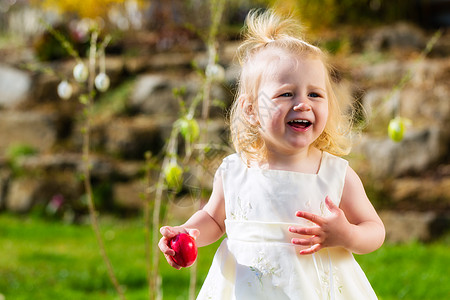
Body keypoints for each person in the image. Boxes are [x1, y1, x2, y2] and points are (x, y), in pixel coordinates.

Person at [159, 8, 385, 299]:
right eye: (286, 94)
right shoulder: (235, 171)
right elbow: (214, 220)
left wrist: (347, 235)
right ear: (251, 110)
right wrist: (188, 232)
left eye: (315, 94)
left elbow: (375, 229)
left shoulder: (333, 174)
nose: (303, 103)